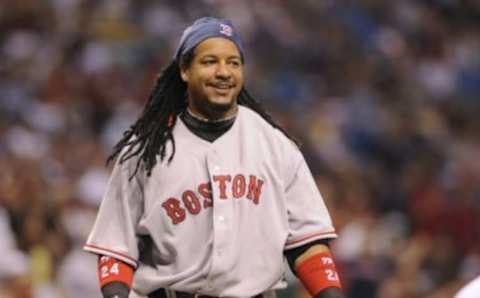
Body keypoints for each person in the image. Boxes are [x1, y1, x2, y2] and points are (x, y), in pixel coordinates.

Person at [84, 17, 344, 298]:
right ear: (185, 70)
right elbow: (115, 250)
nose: (224, 72)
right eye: (210, 62)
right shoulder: (146, 151)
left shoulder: (274, 144)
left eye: (233, 63)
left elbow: (307, 243)